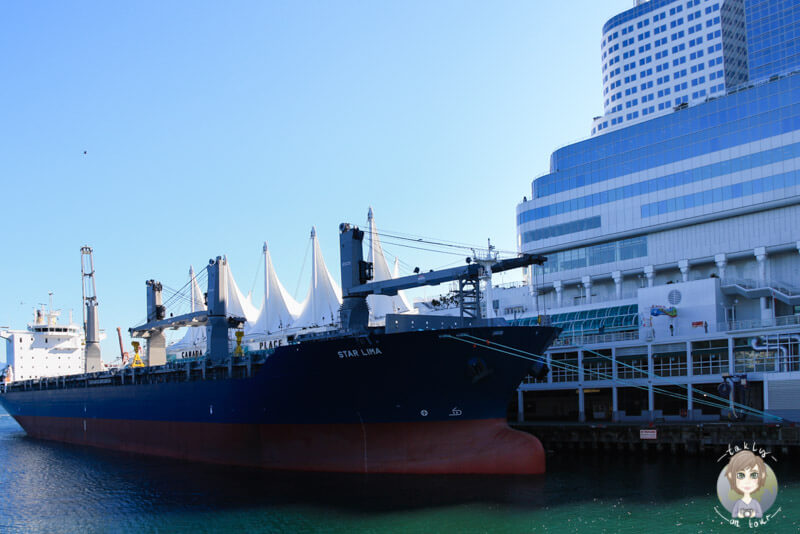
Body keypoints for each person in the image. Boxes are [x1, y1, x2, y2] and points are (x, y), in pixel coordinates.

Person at [725, 450, 767, 519]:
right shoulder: (738, 503)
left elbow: (760, 514)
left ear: (762, 476)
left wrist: (753, 514)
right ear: (731, 476)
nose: (747, 481)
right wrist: (739, 514)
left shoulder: (755, 503)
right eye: (741, 475)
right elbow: (733, 515)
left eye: (754, 475)